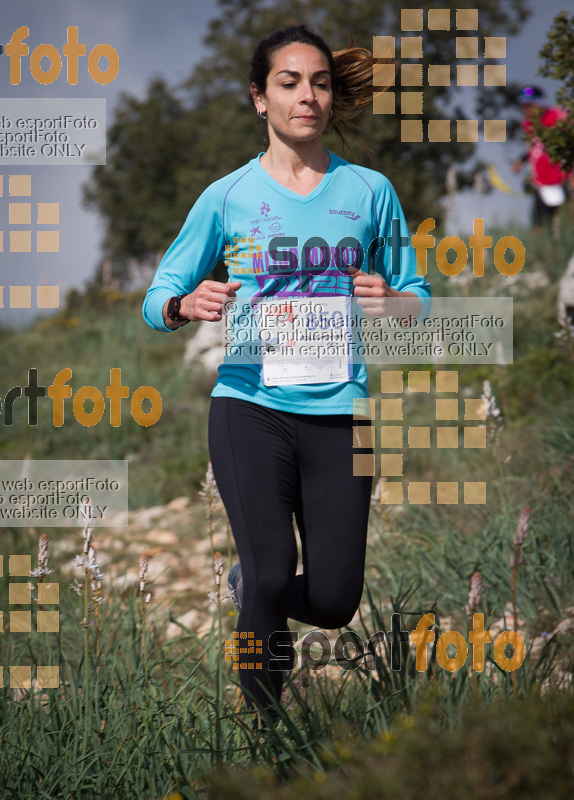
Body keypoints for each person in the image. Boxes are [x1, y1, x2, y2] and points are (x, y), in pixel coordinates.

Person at [143, 24, 431, 722]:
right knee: (274, 571)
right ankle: (268, 734)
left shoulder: (369, 191)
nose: (309, 95)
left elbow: (417, 300)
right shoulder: (228, 196)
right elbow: (157, 297)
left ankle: (254, 595)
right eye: (289, 81)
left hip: (340, 415)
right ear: (258, 98)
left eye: (321, 82)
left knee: (333, 602)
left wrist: (390, 301)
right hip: (250, 408)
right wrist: (186, 303)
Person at [512, 85, 569, 237]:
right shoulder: (528, 124)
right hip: (541, 183)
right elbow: (535, 147)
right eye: (523, 106)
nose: (526, 110)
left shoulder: (557, 117)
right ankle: (542, 258)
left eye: (529, 105)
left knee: (566, 226)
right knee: (538, 230)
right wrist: (521, 160)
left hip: (563, 181)